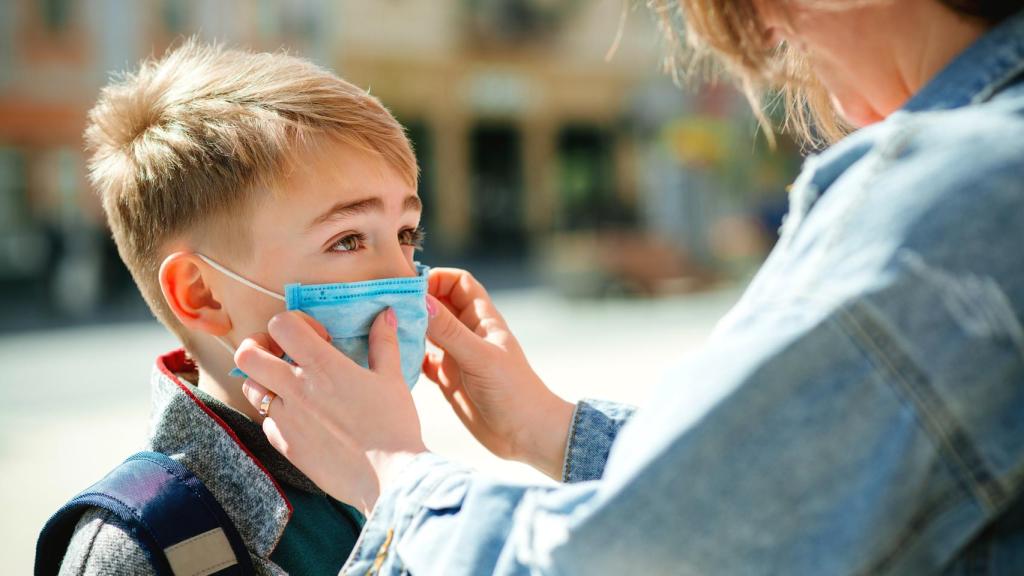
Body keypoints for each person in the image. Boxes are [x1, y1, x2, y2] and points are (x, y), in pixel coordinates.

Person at [235, 0, 1024, 574]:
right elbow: (779, 489)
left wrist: (392, 468)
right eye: (346, 238)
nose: (782, 57)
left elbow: (632, 561)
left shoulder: (949, 191)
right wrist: (548, 428)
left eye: (769, 23)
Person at [49, 39, 428, 575]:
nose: (403, 276)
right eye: (348, 239)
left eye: (406, 232)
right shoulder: (146, 545)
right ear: (202, 294)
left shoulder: (384, 460)